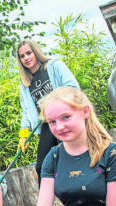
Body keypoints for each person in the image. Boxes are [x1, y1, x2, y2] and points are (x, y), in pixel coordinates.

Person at [16, 39, 80, 184]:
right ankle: (46, 205)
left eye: (28, 53)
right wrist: (23, 133)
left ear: (35, 52)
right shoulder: (25, 84)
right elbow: (26, 110)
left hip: (65, 119)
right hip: (48, 125)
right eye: (22, 56)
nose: (26, 58)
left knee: (72, 159)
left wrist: (53, 104)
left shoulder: (54, 66)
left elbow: (72, 87)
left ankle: (83, 198)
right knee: (42, 166)